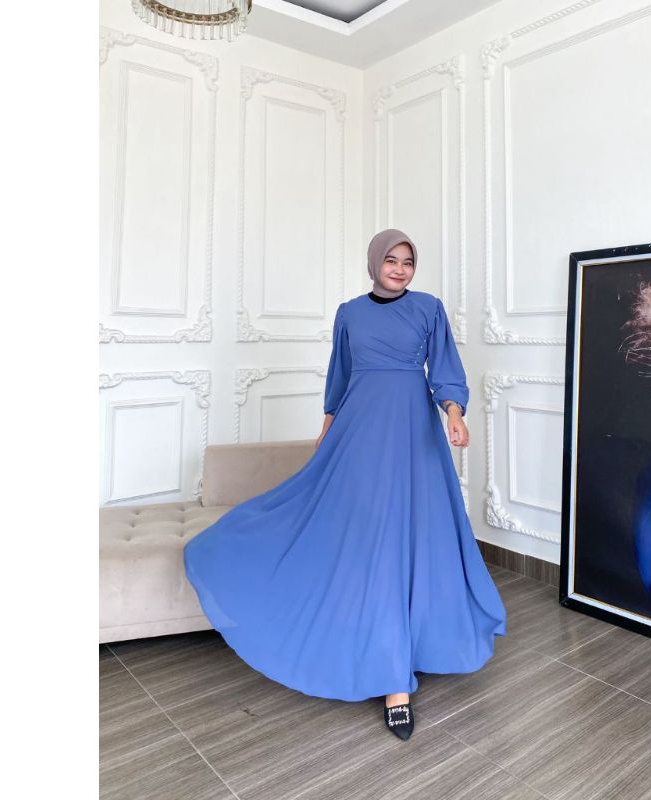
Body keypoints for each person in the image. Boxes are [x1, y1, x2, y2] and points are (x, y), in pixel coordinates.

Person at [184, 228, 507, 742]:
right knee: (363, 533)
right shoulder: (349, 314)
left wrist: (454, 413)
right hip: (358, 433)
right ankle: (382, 657)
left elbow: (445, 368)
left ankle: (399, 674)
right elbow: (341, 375)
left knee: (411, 536)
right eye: (391, 260)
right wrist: (328, 427)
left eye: (408, 262)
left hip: (413, 436)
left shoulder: (428, 309)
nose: (400, 269)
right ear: (374, 263)